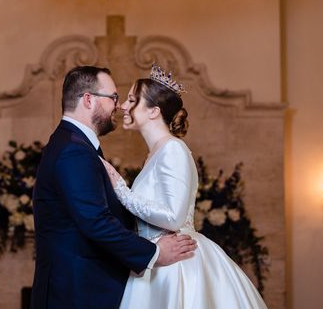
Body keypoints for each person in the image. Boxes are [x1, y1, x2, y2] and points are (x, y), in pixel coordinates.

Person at [100, 64, 269, 309]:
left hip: (177, 266)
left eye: (132, 100)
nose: (123, 107)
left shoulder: (173, 149)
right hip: (157, 261)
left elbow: (173, 217)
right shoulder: (155, 154)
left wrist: (121, 189)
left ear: (153, 111)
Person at [31, 66, 197, 309]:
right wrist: (154, 253)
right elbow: (96, 222)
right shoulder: (73, 150)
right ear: (88, 100)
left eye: (128, 99)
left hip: (87, 287)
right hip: (75, 291)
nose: (119, 107)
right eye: (114, 98)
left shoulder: (75, 145)